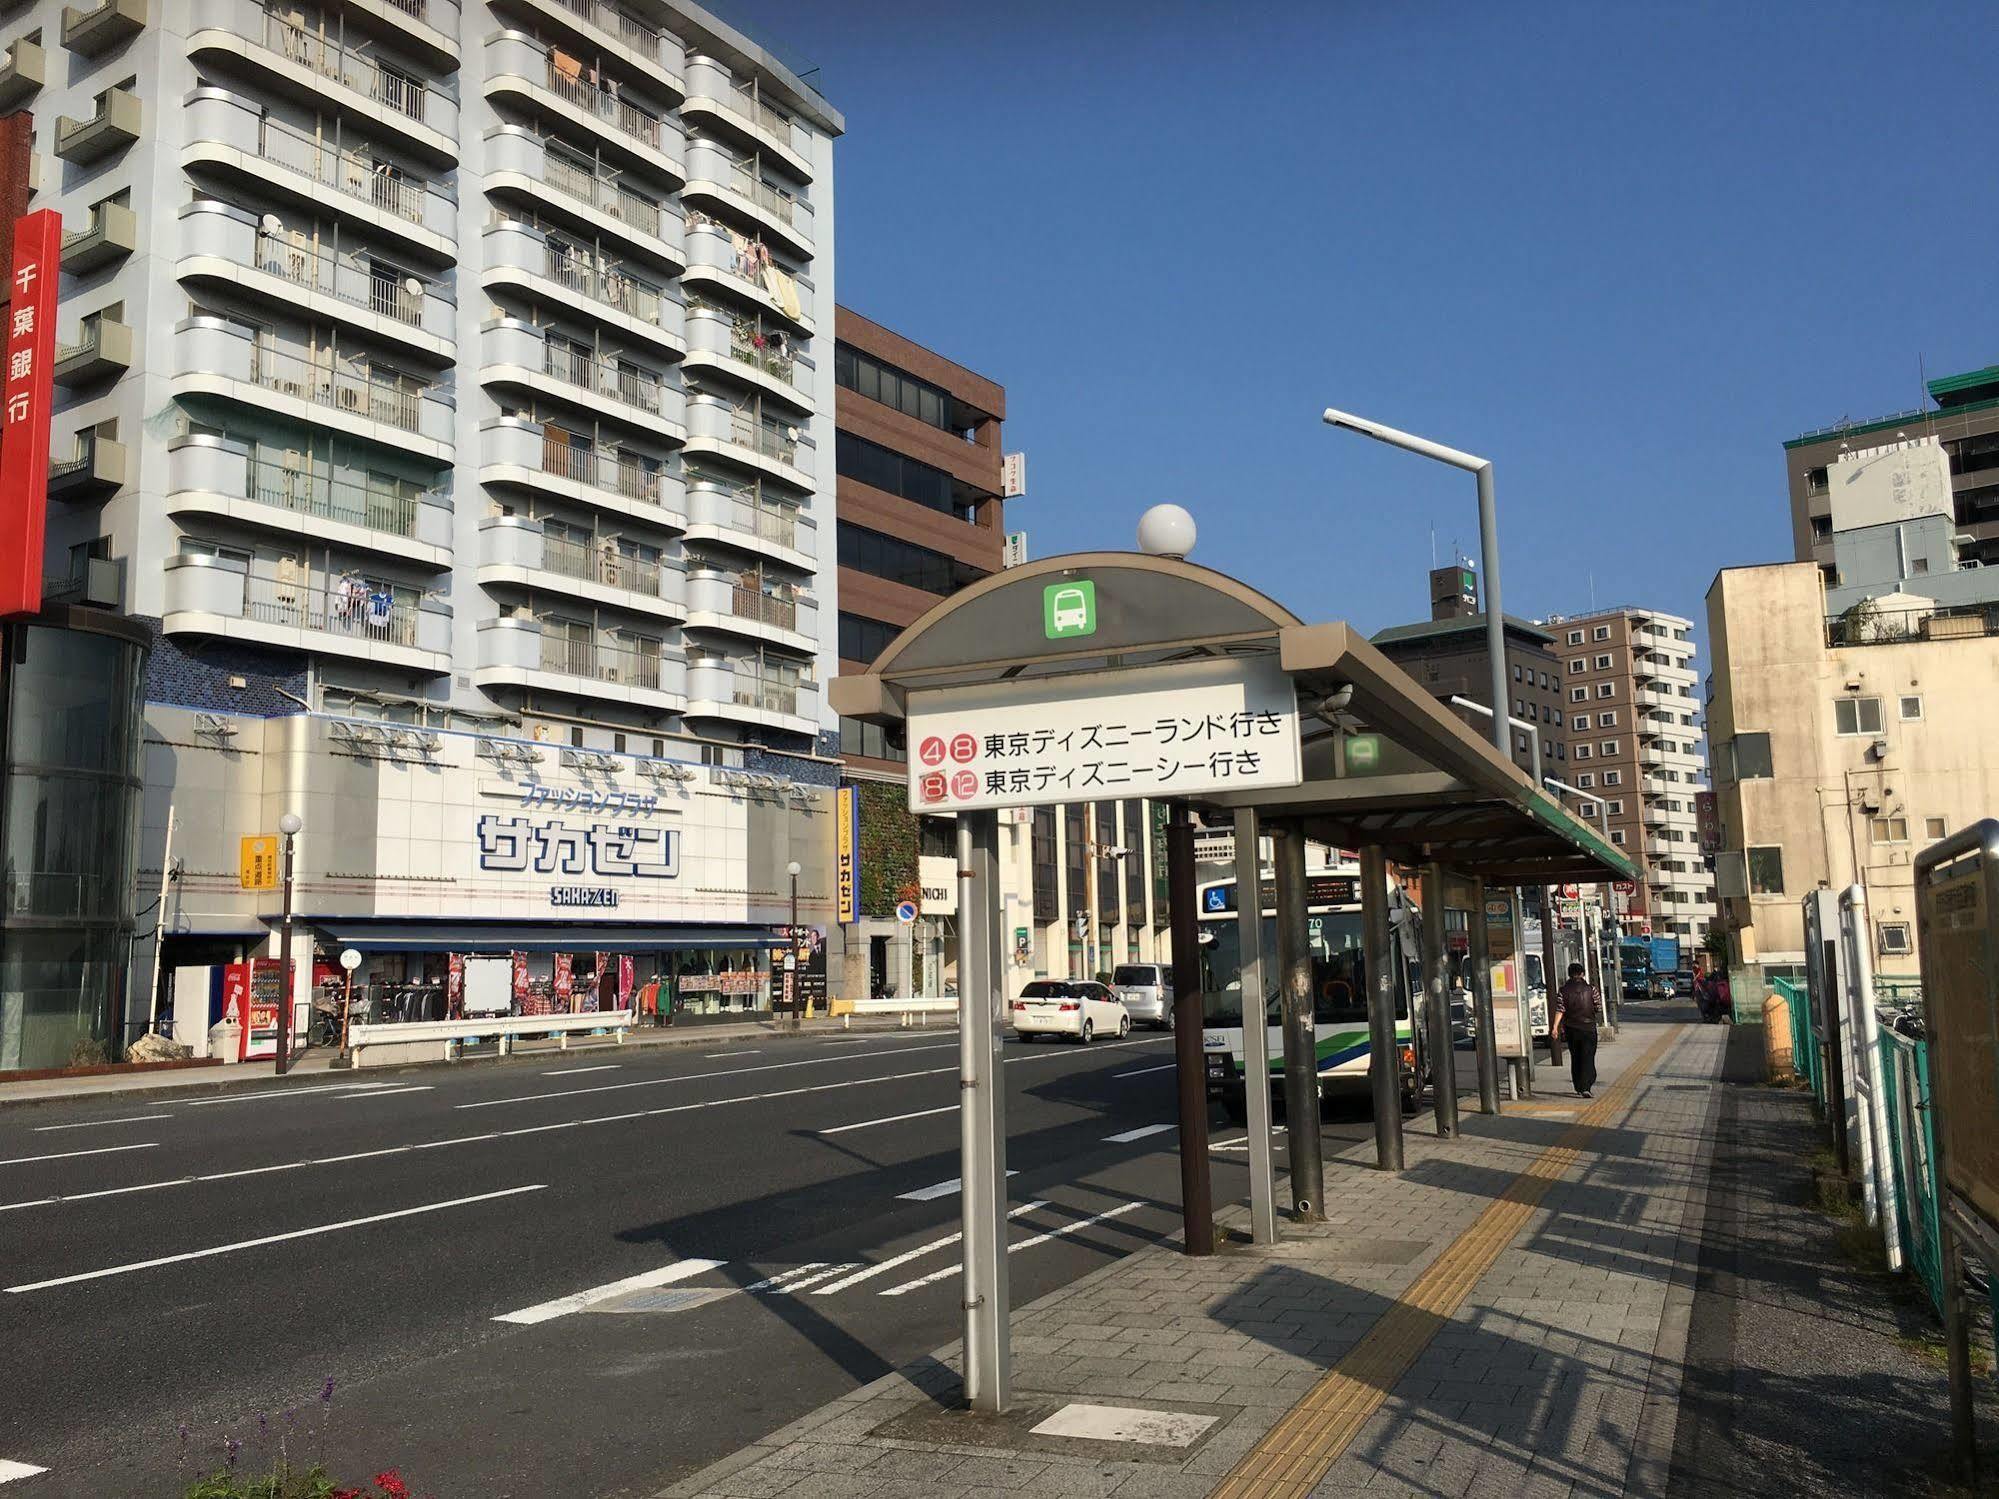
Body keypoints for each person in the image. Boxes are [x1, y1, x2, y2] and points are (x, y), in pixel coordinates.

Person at [1552, 962, 1603, 1097]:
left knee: (1576, 1057)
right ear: (1582, 974)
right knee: (1588, 1057)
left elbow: (1560, 1009)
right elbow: (1598, 1007)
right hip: (1589, 1027)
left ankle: (1579, 1086)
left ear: (1569, 974)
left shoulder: (1563, 991)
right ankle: (1587, 1086)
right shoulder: (1591, 989)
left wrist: (1554, 1028)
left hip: (1571, 1028)